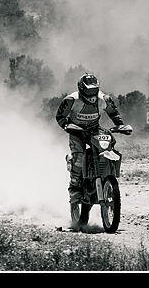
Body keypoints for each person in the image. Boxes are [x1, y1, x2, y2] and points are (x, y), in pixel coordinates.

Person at [55, 73, 132, 207]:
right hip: (76, 131)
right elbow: (60, 116)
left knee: (107, 149)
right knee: (78, 159)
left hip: (94, 129)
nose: (92, 93)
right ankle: (74, 189)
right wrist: (67, 125)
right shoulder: (71, 100)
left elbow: (113, 113)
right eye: (89, 90)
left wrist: (120, 125)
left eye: (94, 90)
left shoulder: (104, 99)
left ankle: (105, 177)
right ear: (81, 89)